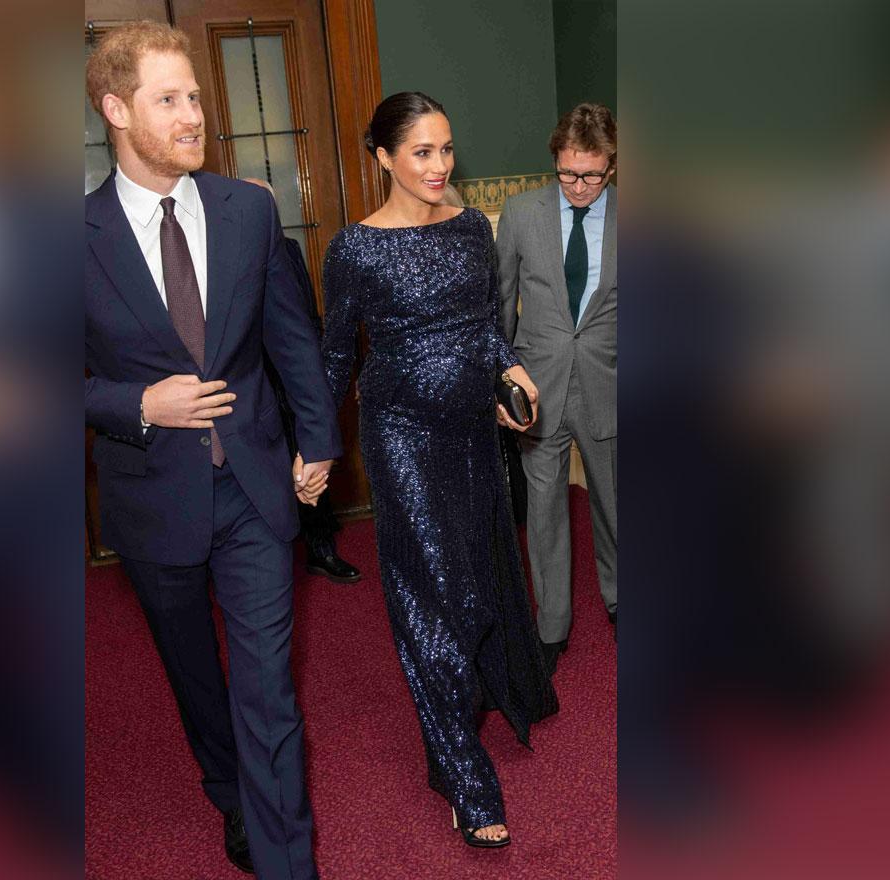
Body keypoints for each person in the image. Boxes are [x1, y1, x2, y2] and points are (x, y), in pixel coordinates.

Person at [83, 22, 340, 879]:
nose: (194, 114)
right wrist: (138, 402)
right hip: (152, 498)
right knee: (196, 673)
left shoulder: (249, 209)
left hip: (257, 489)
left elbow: (290, 338)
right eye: (170, 99)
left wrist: (319, 439)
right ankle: (225, 786)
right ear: (118, 110)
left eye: (194, 95)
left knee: (267, 691)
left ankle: (284, 862)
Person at [320, 91, 558, 848]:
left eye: (446, 150)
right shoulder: (354, 248)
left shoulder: (467, 233)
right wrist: (316, 444)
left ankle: (453, 727)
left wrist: (513, 375)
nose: (438, 165)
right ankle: (465, 774)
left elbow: (490, 326)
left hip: (470, 434)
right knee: (437, 595)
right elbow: (333, 356)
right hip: (401, 437)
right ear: (383, 157)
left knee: (480, 584)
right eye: (421, 151)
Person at [496, 103, 619, 665]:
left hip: (609, 384)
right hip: (537, 388)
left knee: (616, 506)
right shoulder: (521, 213)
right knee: (543, 509)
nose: (579, 186)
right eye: (568, 173)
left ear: (612, 166)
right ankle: (552, 626)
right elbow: (499, 302)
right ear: (556, 161)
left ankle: (621, 603)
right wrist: (499, 380)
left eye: (591, 174)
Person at [242, 178, 361, 584]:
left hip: (291, 378)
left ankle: (321, 549)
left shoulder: (289, 250)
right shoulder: (220, 252)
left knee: (310, 458)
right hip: (247, 381)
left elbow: (306, 317)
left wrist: (316, 376)